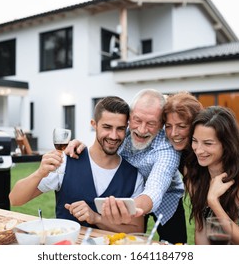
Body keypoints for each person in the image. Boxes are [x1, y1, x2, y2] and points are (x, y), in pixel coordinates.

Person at [67, 89, 187, 244]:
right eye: (137, 120)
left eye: (151, 123)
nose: (142, 130)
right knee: (133, 241)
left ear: (161, 124)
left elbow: (155, 189)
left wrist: (128, 207)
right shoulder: (122, 132)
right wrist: (80, 145)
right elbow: (103, 141)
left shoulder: (168, 150)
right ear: (130, 117)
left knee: (174, 245)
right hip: (130, 190)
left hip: (165, 199)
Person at [9, 96, 145, 233]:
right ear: (94, 124)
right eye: (107, 127)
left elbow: (138, 229)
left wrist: (97, 218)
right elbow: (15, 199)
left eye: (120, 129)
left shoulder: (134, 176)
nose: (114, 136)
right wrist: (39, 173)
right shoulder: (67, 160)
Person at [163, 91, 239, 244]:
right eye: (168, 126)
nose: (173, 133)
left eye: (181, 126)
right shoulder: (192, 169)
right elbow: (201, 224)